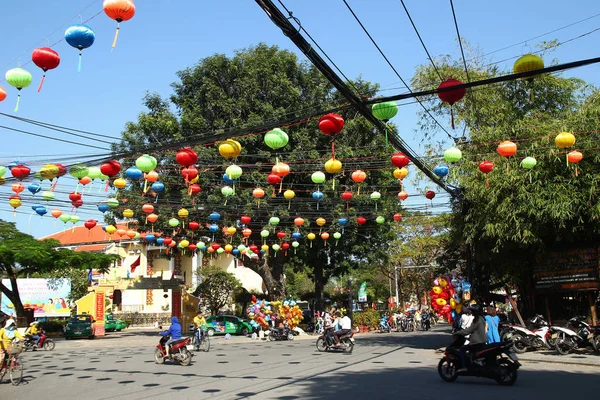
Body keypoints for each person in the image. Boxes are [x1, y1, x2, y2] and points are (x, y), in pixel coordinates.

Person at [455, 304, 486, 372]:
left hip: (476, 342)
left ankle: (464, 366)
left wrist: (458, 333)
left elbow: (468, 331)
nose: (471, 312)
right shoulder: (482, 318)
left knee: (462, 350)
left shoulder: (476, 320)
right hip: (482, 341)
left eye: (472, 311)